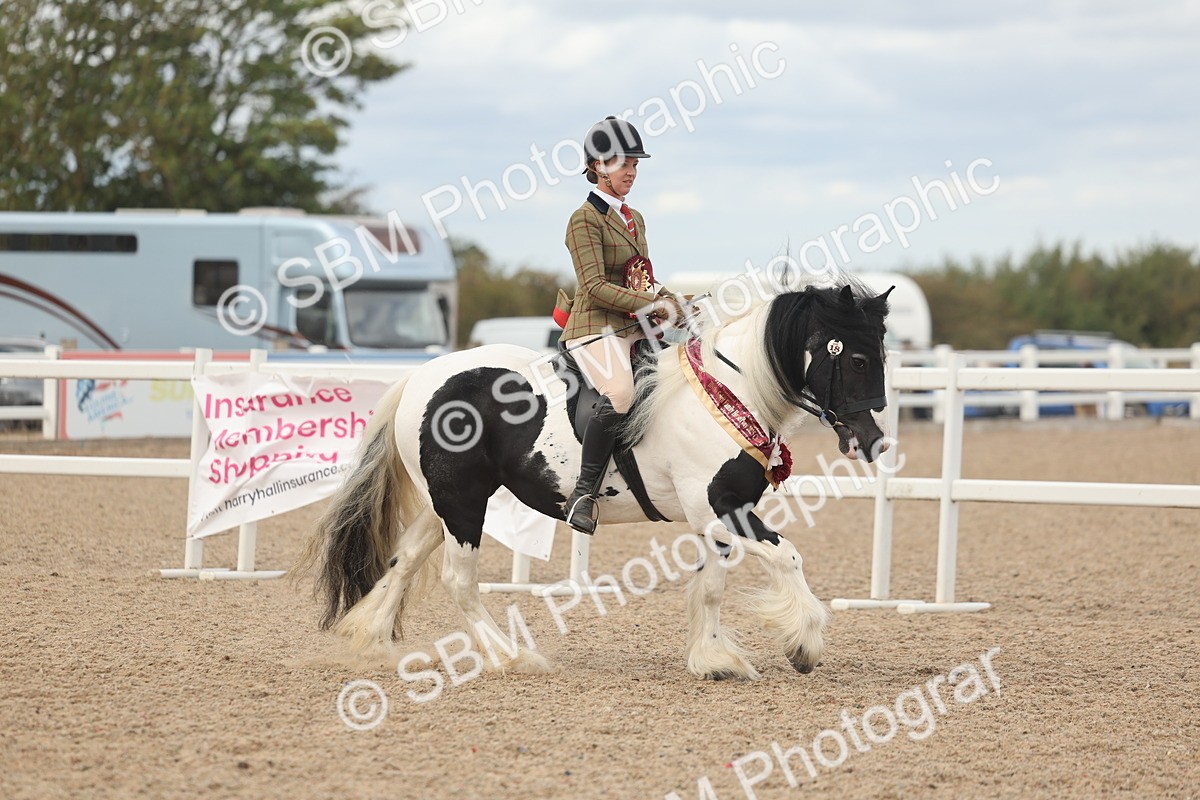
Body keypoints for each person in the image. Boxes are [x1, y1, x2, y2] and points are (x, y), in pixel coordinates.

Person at [555, 115, 684, 534]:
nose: (630, 171)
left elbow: (640, 279)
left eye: (635, 164)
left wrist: (675, 300)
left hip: (632, 326)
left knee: (678, 380)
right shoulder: (583, 219)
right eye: (621, 163)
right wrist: (654, 303)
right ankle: (584, 493)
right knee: (621, 391)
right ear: (596, 167)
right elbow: (593, 287)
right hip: (593, 326)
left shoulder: (635, 218)